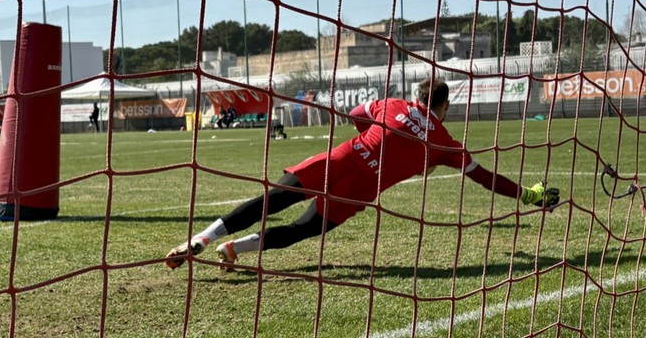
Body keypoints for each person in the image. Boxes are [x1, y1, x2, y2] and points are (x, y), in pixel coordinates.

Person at [165, 78, 560, 270]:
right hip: (362, 187)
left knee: (273, 199)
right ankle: (235, 250)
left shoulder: (394, 104)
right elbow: (485, 177)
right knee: (305, 229)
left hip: (343, 157)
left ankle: (203, 237)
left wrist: (370, 137)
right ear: (442, 106)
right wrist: (528, 194)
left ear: (418, 97)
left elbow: (356, 115)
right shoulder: (445, 142)